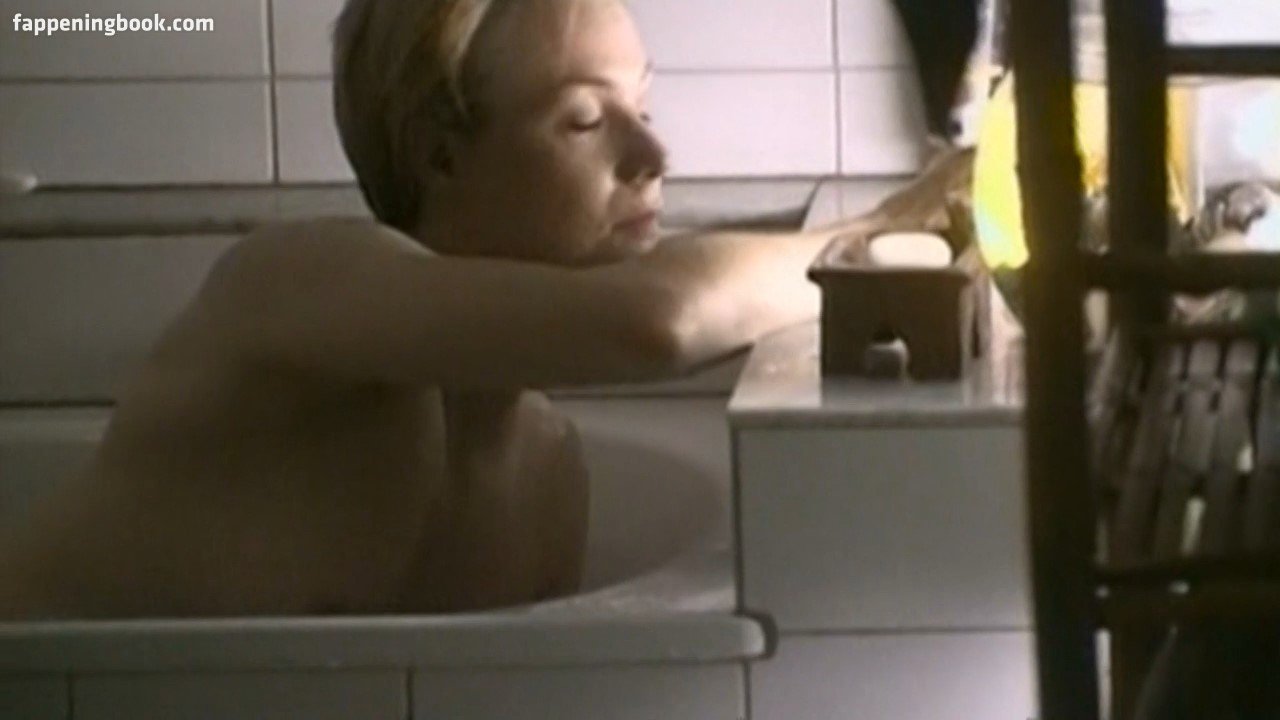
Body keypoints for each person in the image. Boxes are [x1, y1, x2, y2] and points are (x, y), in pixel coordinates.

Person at [0, 0, 966, 619]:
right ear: (439, 155)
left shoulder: (546, 473)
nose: (652, 156)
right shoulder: (293, 283)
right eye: (585, 119)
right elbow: (657, 321)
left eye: (643, 108)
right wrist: (890, 226)